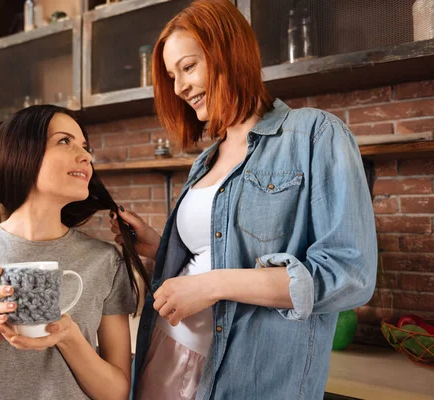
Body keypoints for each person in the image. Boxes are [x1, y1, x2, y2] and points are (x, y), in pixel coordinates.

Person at [109, 1, 378, 399]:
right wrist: (155, 245)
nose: (179, 87)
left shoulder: (315, 135)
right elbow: (214, 249)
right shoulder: (206, 159)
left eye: (187, 67)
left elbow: (349, 277)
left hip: (246, 377)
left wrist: (212, 285)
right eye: (171, 76)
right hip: (165, 352)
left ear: (228, 55)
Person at [0, 105, 150, 400]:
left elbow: (115, 393)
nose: (86, 156)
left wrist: (69, 337)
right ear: (21, 153)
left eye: (85, 146)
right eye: (65, 141)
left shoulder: (104, 259)